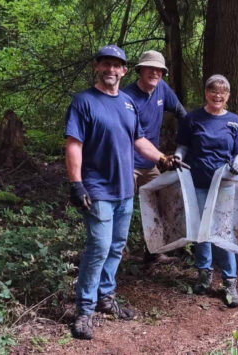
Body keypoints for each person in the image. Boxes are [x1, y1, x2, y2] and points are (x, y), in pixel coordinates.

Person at [65, 45, 186, 340]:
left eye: (116, 65)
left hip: (123, 190)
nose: (110, 70)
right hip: (97, 189)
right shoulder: (83, 102)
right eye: (105, 64)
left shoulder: (127, 103)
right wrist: (75, 183)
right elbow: (73, 144)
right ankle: (85, 309)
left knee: (117, 245)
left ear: (122, 70)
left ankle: (106, 297)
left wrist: (161, 159)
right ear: (98, 67)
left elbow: (139, 140)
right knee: (98, 248)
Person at [174, 75, 238, 307]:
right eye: (213, 90)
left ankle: (229, 281)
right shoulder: (193, 118)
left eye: (223, 92)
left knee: (223, 231)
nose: (218, 95)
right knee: (201, 231)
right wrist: (177, 158)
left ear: (228, 96)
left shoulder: (234, 121)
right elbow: (183, 145)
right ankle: (204, 275)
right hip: (197, 182)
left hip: (224, 184)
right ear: (206, 92)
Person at [122, 50, 187, 264]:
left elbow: (180, 112)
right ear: (140, 70)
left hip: (150, 163)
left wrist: (191, 136)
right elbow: (132, 137)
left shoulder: (162, 89)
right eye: (150, 68)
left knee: (161, 203)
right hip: (127, 162)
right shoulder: (126, 97)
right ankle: (119, 253)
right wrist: (161, 158)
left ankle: (154, 251)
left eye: (159, 69)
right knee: (123, 208)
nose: (154, 73)